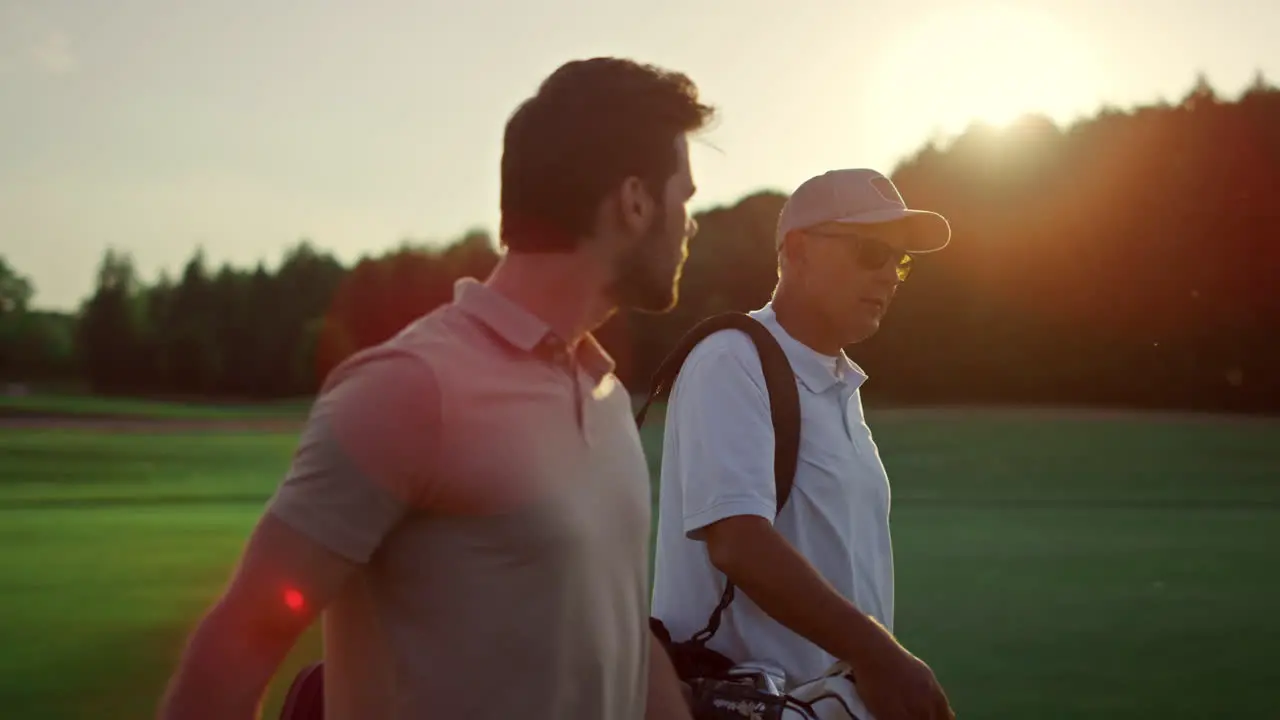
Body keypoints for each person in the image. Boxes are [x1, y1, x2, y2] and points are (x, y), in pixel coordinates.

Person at [156, 56, 715, 720]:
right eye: (685, 197)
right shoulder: (409, 391)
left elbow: (619, 637)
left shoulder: (607, 397)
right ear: (633, 201)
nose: (691, 223)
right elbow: (236, 649)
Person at [650, 168, 957, 720]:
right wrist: (879, 654)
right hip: (748, 704)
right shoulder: (732, 359)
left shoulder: (839, 384)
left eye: (899, 260)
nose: (889, 275)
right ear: (798, 252)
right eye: (870, 252)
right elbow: (736, 540)